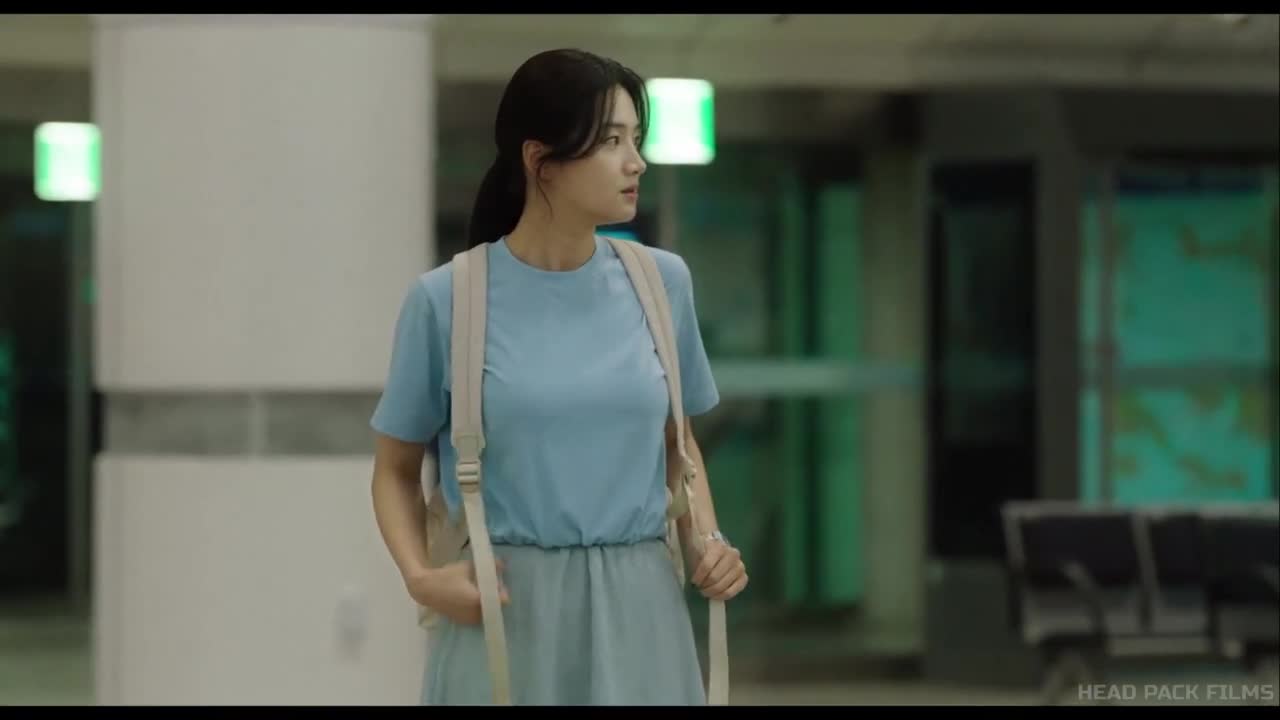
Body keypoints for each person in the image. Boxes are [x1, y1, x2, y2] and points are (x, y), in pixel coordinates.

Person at [368, 48, 747, 706]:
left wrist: (707, 542)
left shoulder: (661, 283)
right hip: (505, 613)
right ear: (540, 159)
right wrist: (420, 577)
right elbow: (394, 469)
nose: (636, 162)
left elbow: (677, 445)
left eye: (637, 140)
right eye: (611, 142)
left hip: (643, 613)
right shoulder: (447, 300)